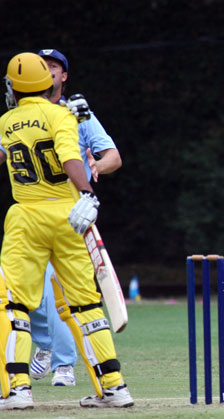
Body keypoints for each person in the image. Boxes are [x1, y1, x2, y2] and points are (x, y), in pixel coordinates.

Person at [0, 52, 133, 410]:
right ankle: (114, 387)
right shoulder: (62, 115)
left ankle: (18, 390)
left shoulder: (7, 120)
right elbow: (69, 157)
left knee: (12, 305)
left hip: (27, 218)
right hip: (70, 215)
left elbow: (60, 157)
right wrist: (87, 195)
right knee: (87, 303)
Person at [24, 49, 122, 387]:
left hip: (72, 212)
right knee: (27, 292)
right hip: (34, 210)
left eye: (53, 67)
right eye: (42, 67)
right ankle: (48, 346)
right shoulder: (22, 114)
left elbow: (112, 156)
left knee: (59, 293)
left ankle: (63, 362)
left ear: (63, 76)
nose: (47, 72)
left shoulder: (78, 113)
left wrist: (95, 166)